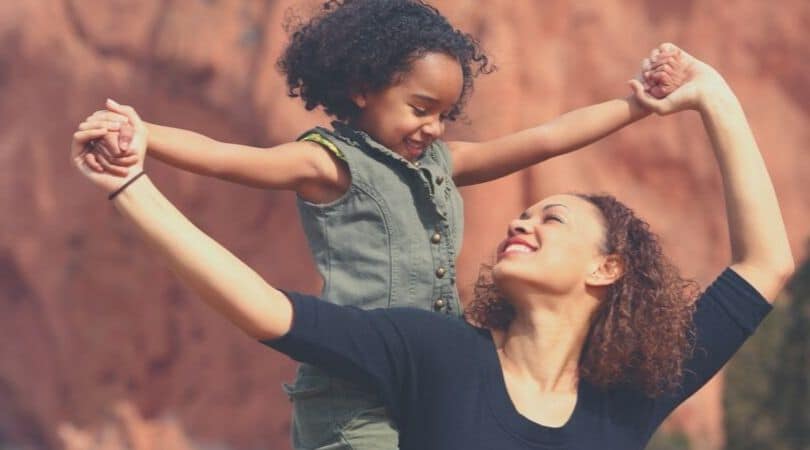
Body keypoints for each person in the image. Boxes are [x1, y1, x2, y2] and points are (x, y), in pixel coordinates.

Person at [72, 45, 793, 449]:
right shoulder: (437, 352)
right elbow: (267, 311)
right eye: (523, 215)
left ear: (607, 270)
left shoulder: (631, 396)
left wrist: (711, 95)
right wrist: (131, 186)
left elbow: (765, 263)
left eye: (553, 220)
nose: (521, 222)